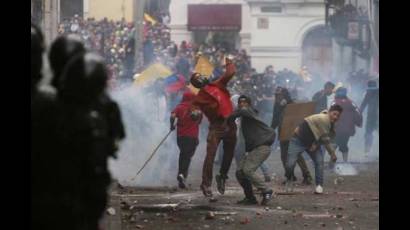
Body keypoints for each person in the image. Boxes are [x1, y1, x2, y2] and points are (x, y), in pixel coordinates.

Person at [191, 58, 237, 197]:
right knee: (210, 155)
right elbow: (195, 113)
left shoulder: (217, 84)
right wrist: (195, 114)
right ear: (196, 84)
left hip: (230, 124)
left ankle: (222, 176)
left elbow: (230, 73)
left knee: (229, 154)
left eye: (200, 75)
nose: (200, 78)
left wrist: (229, 61)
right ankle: (206, 184)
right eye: (197, 78)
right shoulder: (198, 98)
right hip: (216, 126)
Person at [285, 104, 343, 194]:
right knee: (290, 163)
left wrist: (316, 144)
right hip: (298, 140)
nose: (336, 117)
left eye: (338, 116)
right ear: (329, 112)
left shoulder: (330, 123)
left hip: (312, 143)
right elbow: (325, 138)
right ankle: (289, 179)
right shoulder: (324, 119)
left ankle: (319, 185)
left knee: (319, 162)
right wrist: (332, 153)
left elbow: (321, 136)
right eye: (334, 114)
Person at [228, 95, 275, 205]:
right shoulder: (245, 117)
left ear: (249, 104)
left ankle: (267, 191)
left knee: (248, 170)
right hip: (255, 148)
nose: (242, 104)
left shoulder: (249, 111)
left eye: (245, 102)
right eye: (240, 102)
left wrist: (229, 117)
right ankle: (250, 198)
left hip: (262, 147)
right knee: (240, 172)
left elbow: (243, 111)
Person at [271, 87, 312, 185]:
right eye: (276, 95)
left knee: (296, 155)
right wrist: (271, 129)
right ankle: (290, 176)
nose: (278, 97)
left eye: (280, 95)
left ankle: (307, 176)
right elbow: (275, 118)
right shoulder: (277, 105)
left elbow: (299, 120)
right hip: (282, 132)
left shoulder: (292, 104)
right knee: (284, 156)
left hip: (293, 133)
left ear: (285, 95)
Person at [170, 90, 203, 189]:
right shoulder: (196, 108)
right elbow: (200, 120)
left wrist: (172, 126)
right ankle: (182, 174)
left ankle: (182, 174)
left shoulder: (179, 107)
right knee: (187, 156)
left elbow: (172, 116)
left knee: (183, 154)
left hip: (180, 137)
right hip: (192, 137)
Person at [332, 87, 362, 162]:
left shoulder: (334, 102)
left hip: (337, 128)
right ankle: (345, 162)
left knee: (335, 143)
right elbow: (358, 113)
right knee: (343, 144)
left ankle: (332, 161)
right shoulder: (351, 102)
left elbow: (330, 114)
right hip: (348, 129)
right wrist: (359, 123)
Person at [359, 80, 379, 158]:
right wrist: (359, 112)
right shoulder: (368, 93)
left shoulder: (370, 93)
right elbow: (363, 104)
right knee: (368, 134)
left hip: (374, 117)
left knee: (368, 134)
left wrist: (360, 112)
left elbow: (363, 104)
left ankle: (367, 151)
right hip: (371, 117)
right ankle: (367, 151)